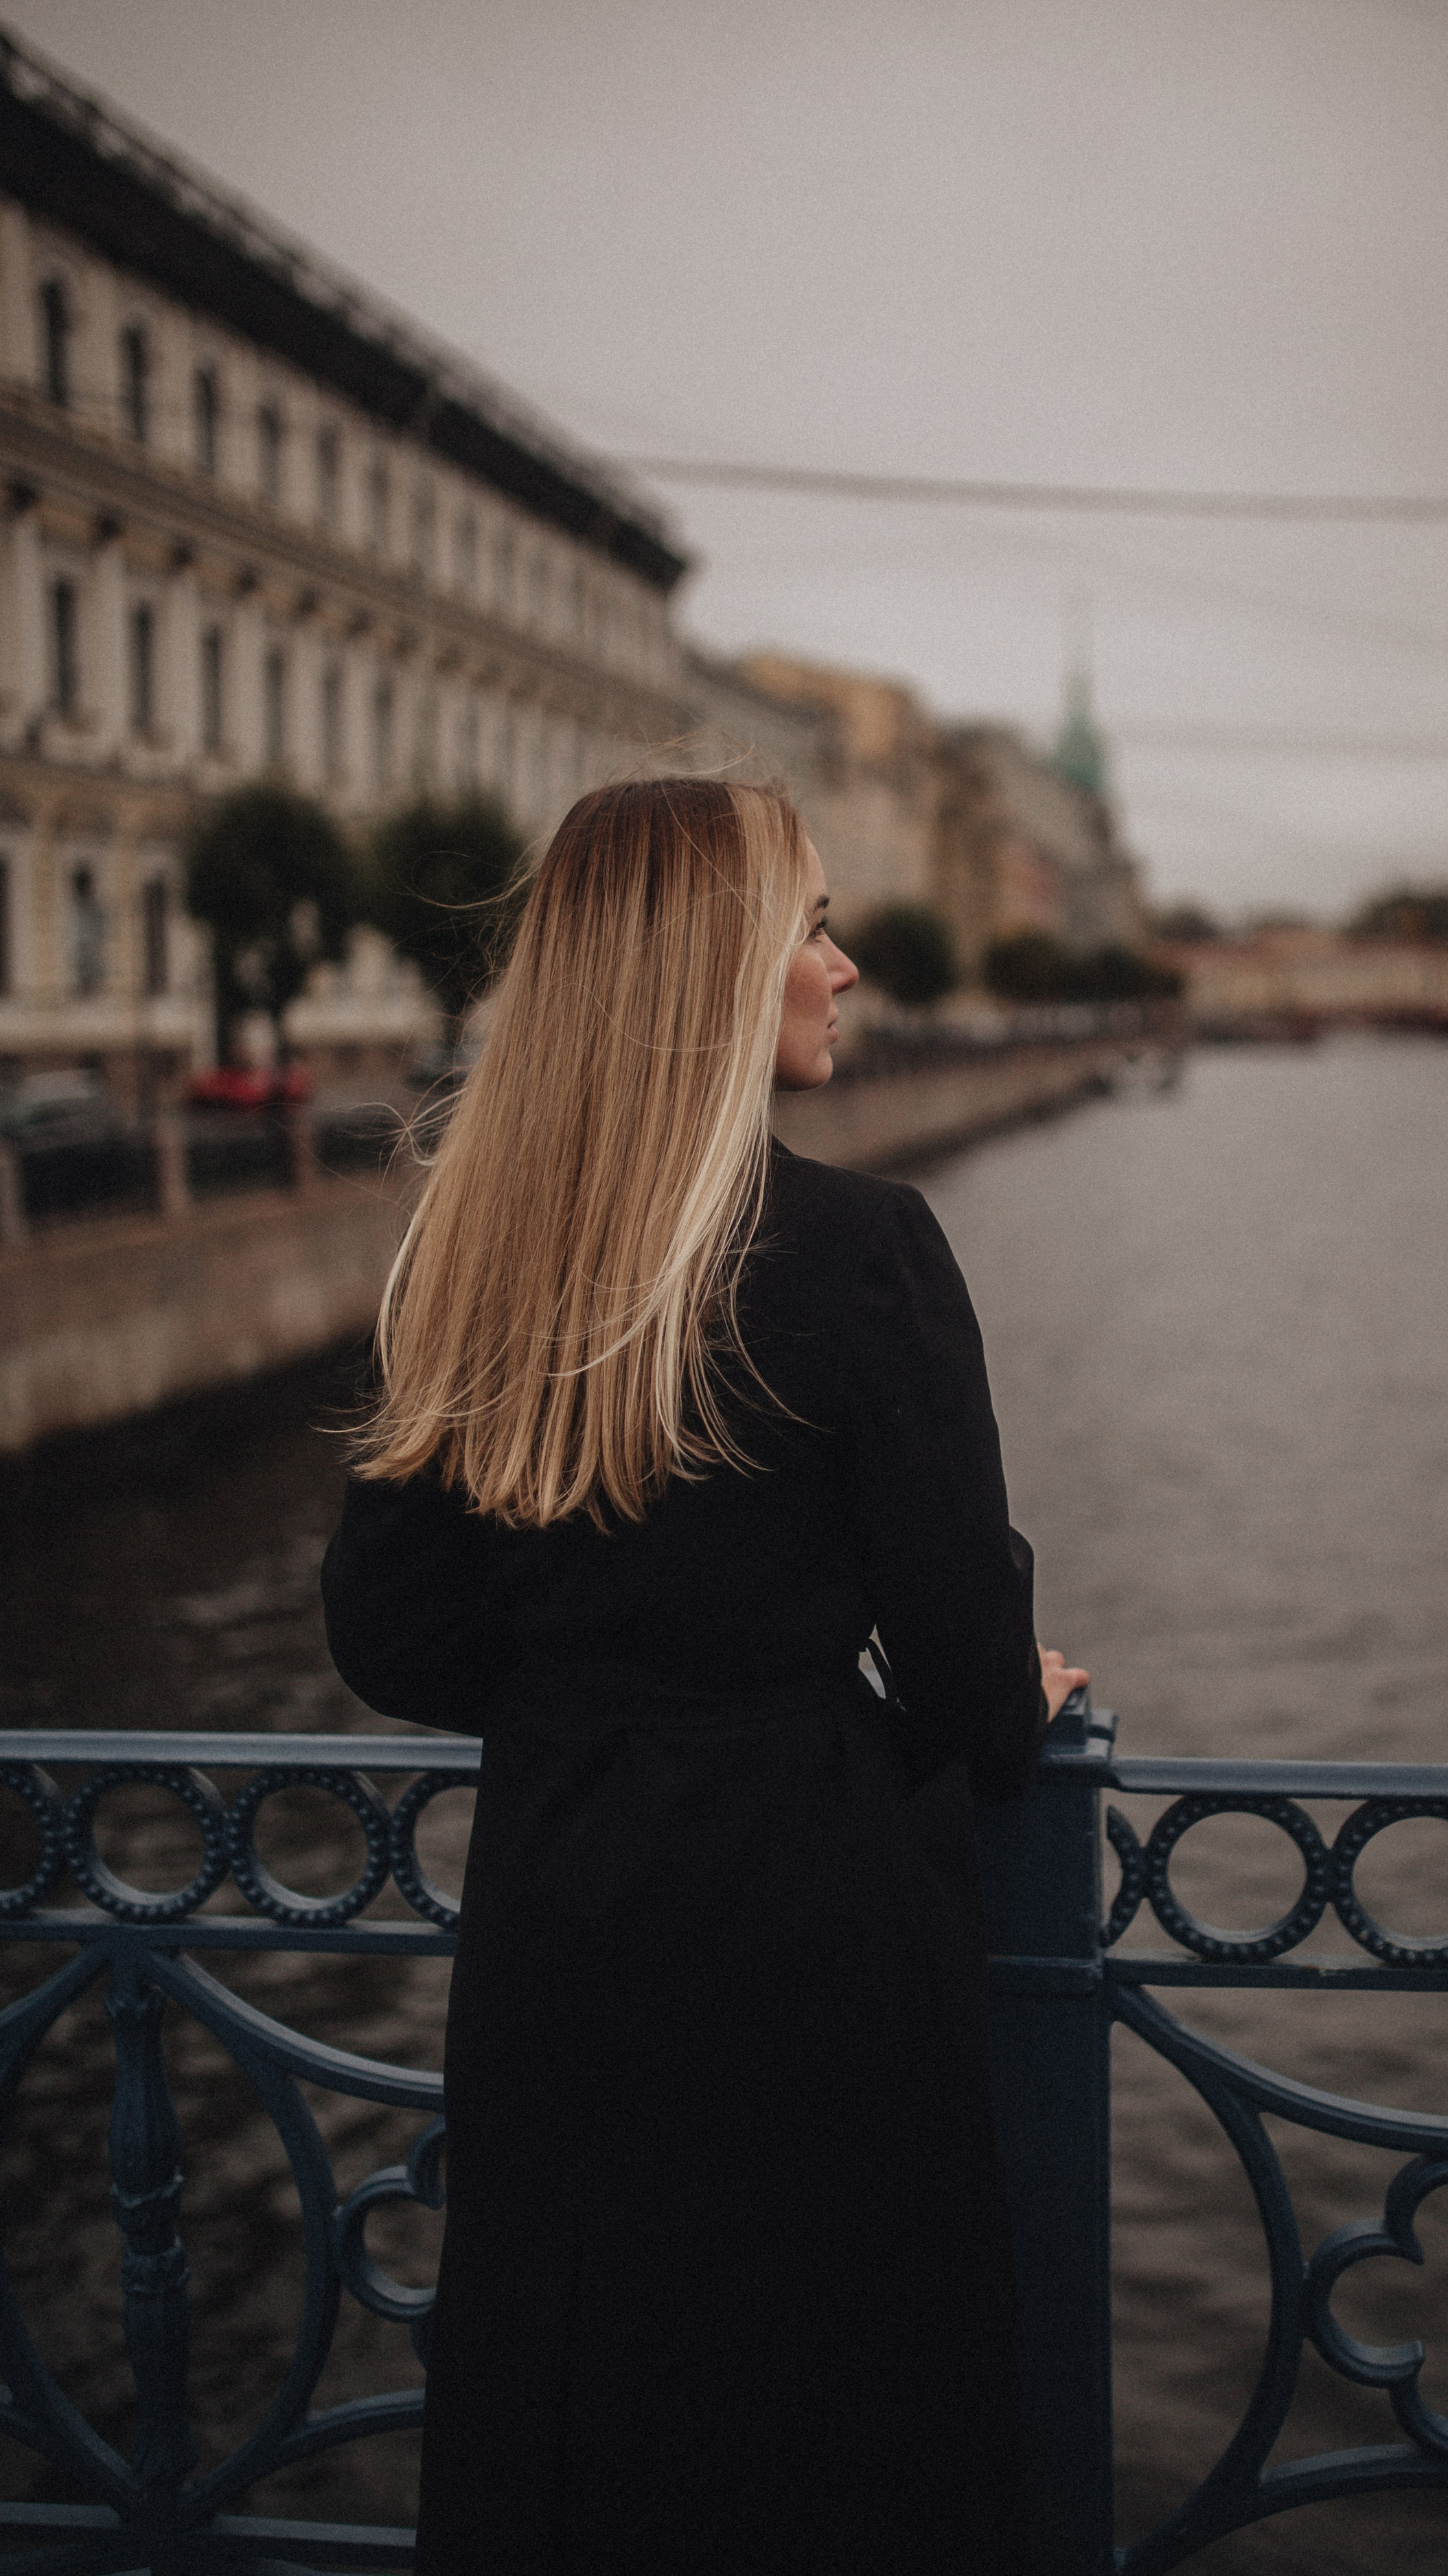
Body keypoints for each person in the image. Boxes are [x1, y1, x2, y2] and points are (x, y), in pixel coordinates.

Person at [321, 774, 1087, 2576]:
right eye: (809, 927)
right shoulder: (863, 1255)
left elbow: (390, 1633)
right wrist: (991, 1698)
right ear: (716, 971)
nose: (842, 967)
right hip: (816, 1936)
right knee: (835, 2438)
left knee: (580, 2411)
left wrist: (598, 1695)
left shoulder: (472, 1251)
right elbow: (975, 1678)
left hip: (557, 1918)